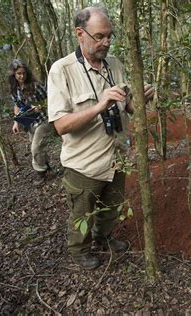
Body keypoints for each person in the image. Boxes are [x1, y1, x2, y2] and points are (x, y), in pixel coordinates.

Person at [47, 6, 154, 270]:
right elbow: (60, 125)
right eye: (99, 36)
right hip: (84, 163)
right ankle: (79, 252)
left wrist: (140, 99)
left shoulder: (114, 64)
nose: (106, 42)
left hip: (116, 158)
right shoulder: (62, 70)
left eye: (109, 36)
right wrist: (98, 106)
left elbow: (127, 107)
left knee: (112, 206)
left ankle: (104, 238)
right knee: (81, 213)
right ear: (79, 34)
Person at [9, 59, 53, 185]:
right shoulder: (15, 89)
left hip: (44, 119)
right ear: (14, 75)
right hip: (30, 121)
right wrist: (16, 122)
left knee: (35, 147)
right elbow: (17, 105)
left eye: (23, 73)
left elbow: (50, 98)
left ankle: (41, 173)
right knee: (38, 146)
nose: (22, 76)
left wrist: (41, 106)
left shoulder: (35, 85)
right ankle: (46, 165)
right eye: (19, 74)